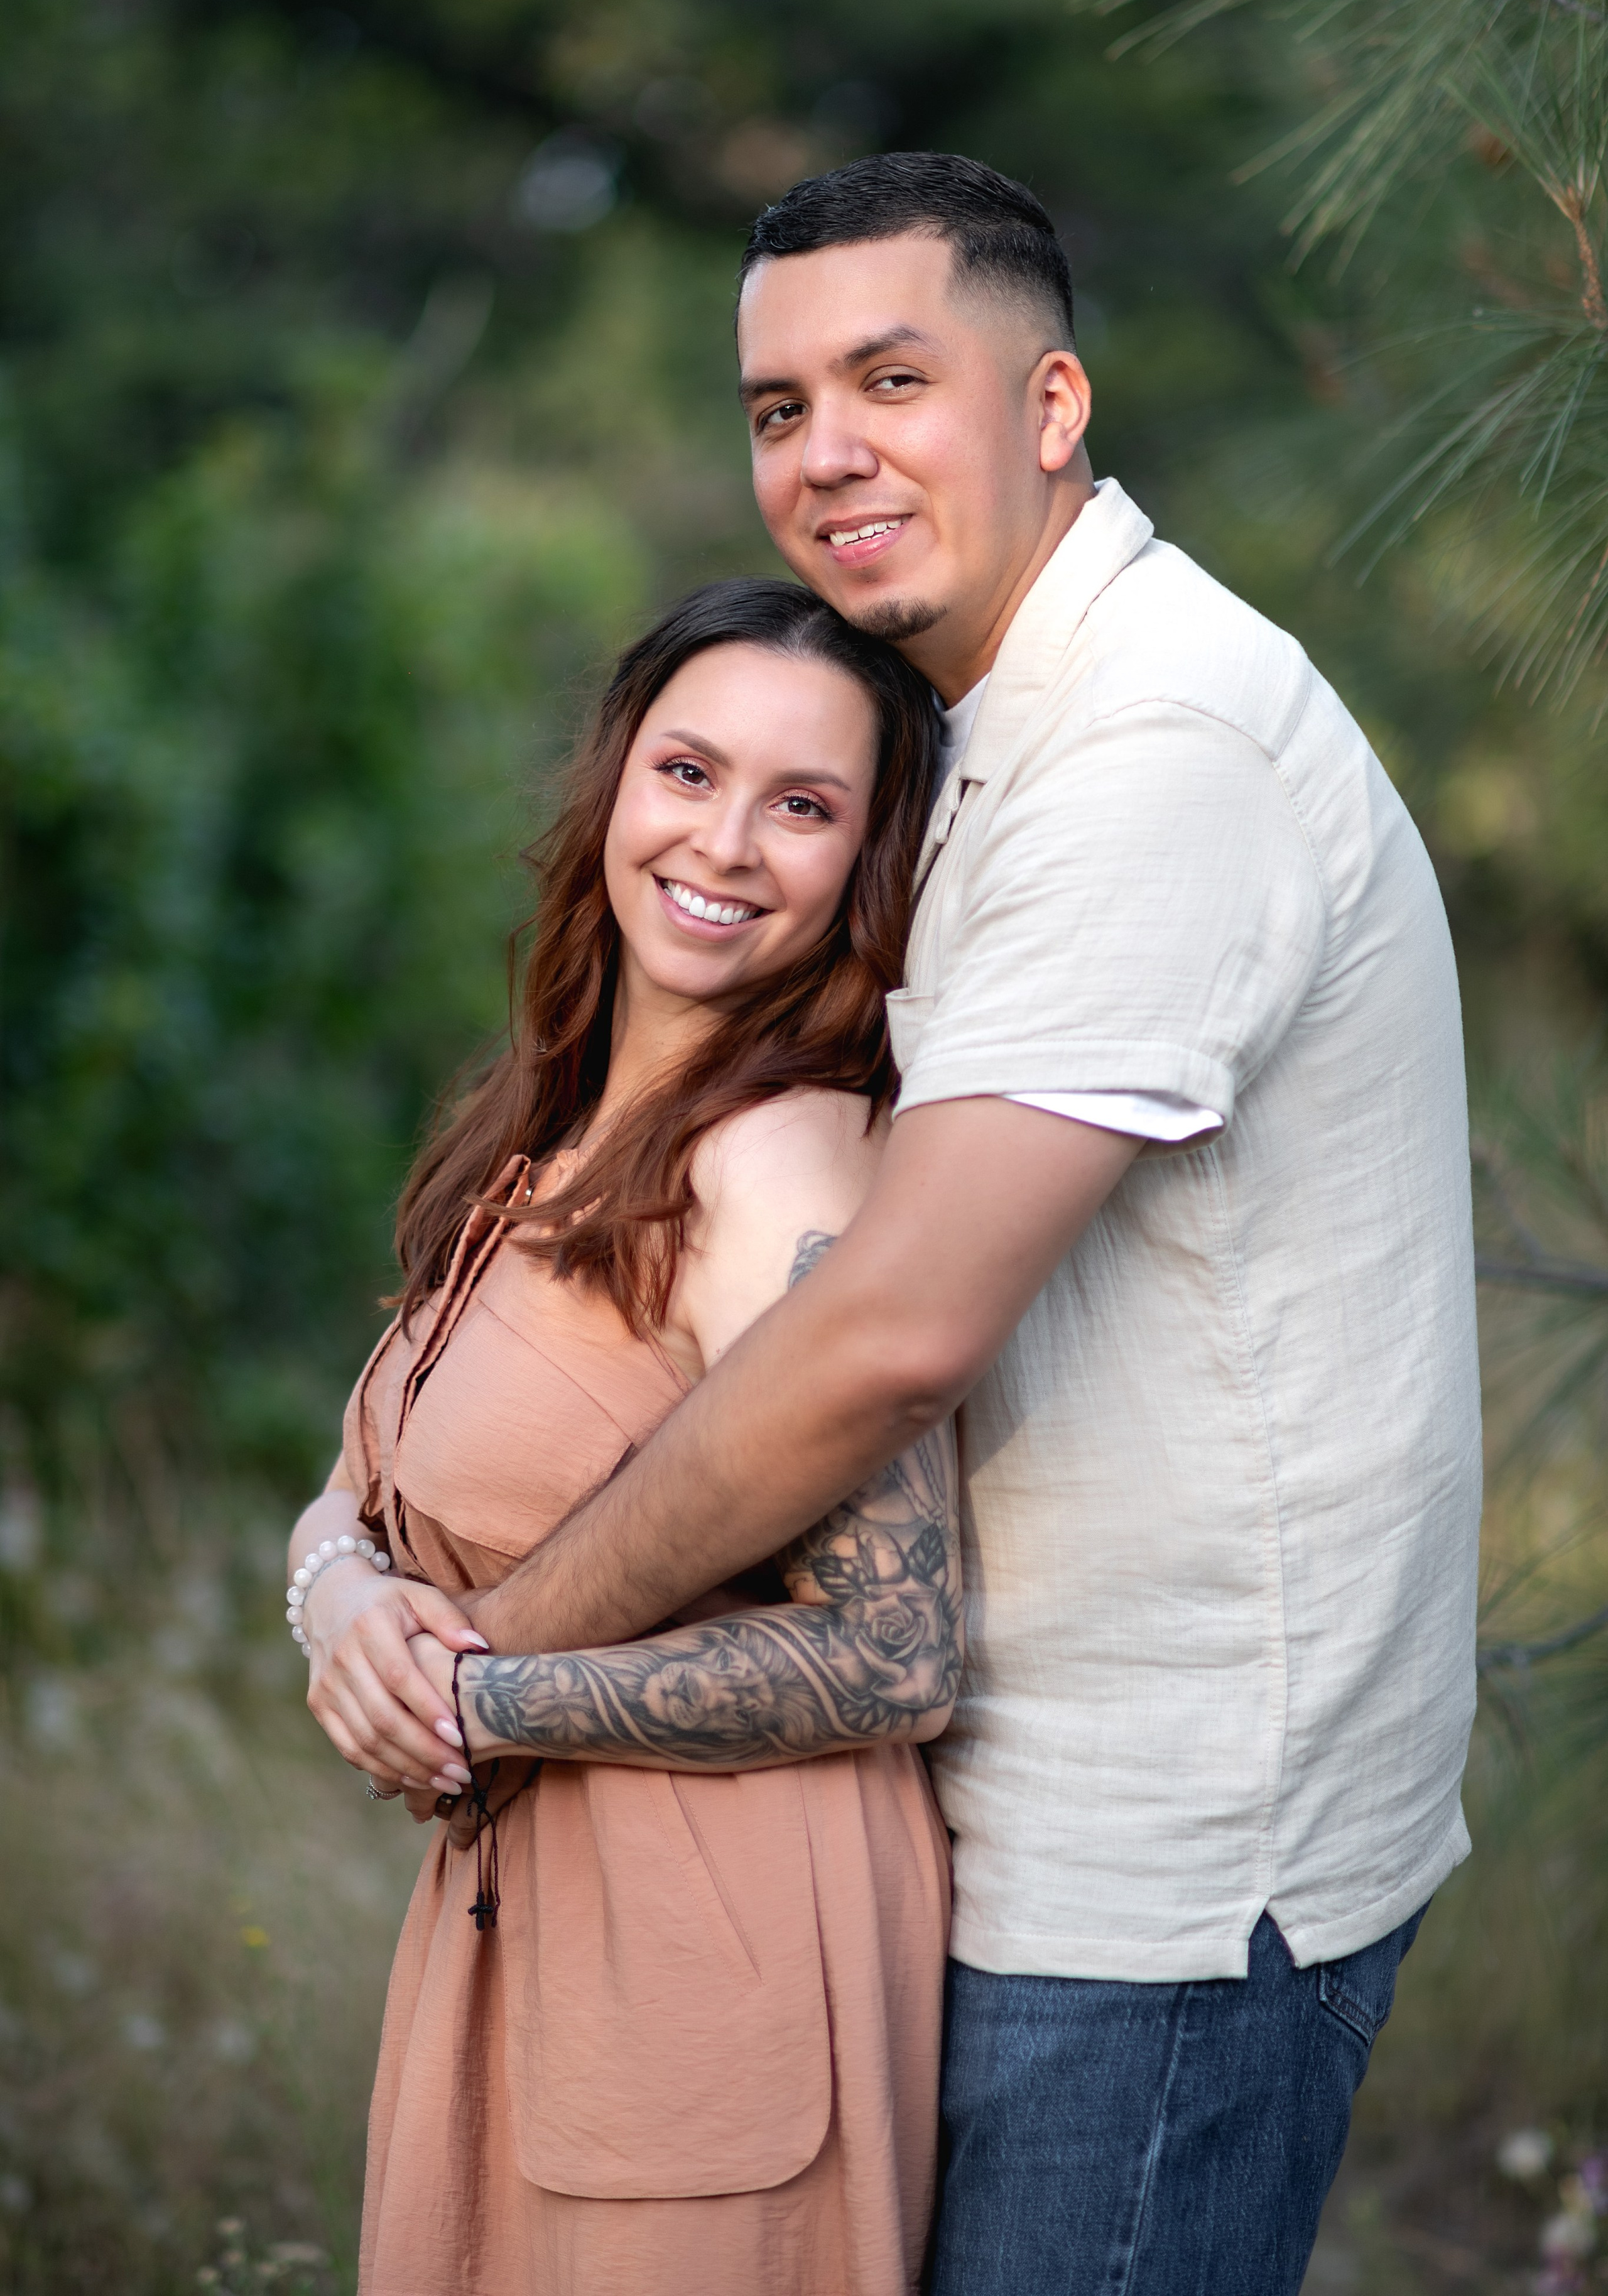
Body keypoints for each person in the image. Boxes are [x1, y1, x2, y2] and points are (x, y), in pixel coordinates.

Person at [315, 154, 1484, 2295]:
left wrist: (489, 1673)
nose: (825, 452)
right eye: (777, 406)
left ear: (1051, 407)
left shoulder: (1153, 752)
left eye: (890, 379)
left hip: (1161, 1867)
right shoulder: (990, 736)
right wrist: (345, 1586)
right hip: (996, 1827)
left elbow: (885, 1337)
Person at [290, 577, 958, 2296]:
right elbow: (368, 1489)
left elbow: (896, 1650)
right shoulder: (551, 1127)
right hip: (533, 1912)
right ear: (616, 785)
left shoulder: (784, 1168)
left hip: (712, 1951)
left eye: (803, 807)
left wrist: (477, 1699)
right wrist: (335, 1602)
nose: (726, 844)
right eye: (690, 772)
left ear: (866, 863)